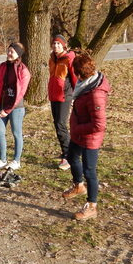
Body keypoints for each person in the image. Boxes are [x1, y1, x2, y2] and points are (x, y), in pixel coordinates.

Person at [61, 53, 111, 220]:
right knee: (71, 157)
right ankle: (78, 186)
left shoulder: (96, 94)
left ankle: (92, 206)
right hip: (79, 133)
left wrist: (78, 129)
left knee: (90, 171)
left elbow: (99, 125)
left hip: (90, 137)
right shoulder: (85, 85)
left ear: (80, 73)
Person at [0, 42, 31, 171]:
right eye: (8, 50)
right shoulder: (2, 67)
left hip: (15, 108)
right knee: (0, 132)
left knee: (16, 134)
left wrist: (8, 110)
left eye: (12, 51)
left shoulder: (24, 70)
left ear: (18, 54)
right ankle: (2, 160)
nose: (9, 53)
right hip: (1, 105)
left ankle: (16, 161)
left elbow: (20, 93)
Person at [48, 34, 77, 170]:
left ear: (64, 45)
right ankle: (67, 152)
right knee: (57, 125)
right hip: (54, 96)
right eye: (54, 44)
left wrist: (76, 96)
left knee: (61, 125)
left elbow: (75, 78)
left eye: (59, 44)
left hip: (65, 96)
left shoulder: (69, 58)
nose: (56, 46)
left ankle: (68, 156)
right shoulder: (52, 58)